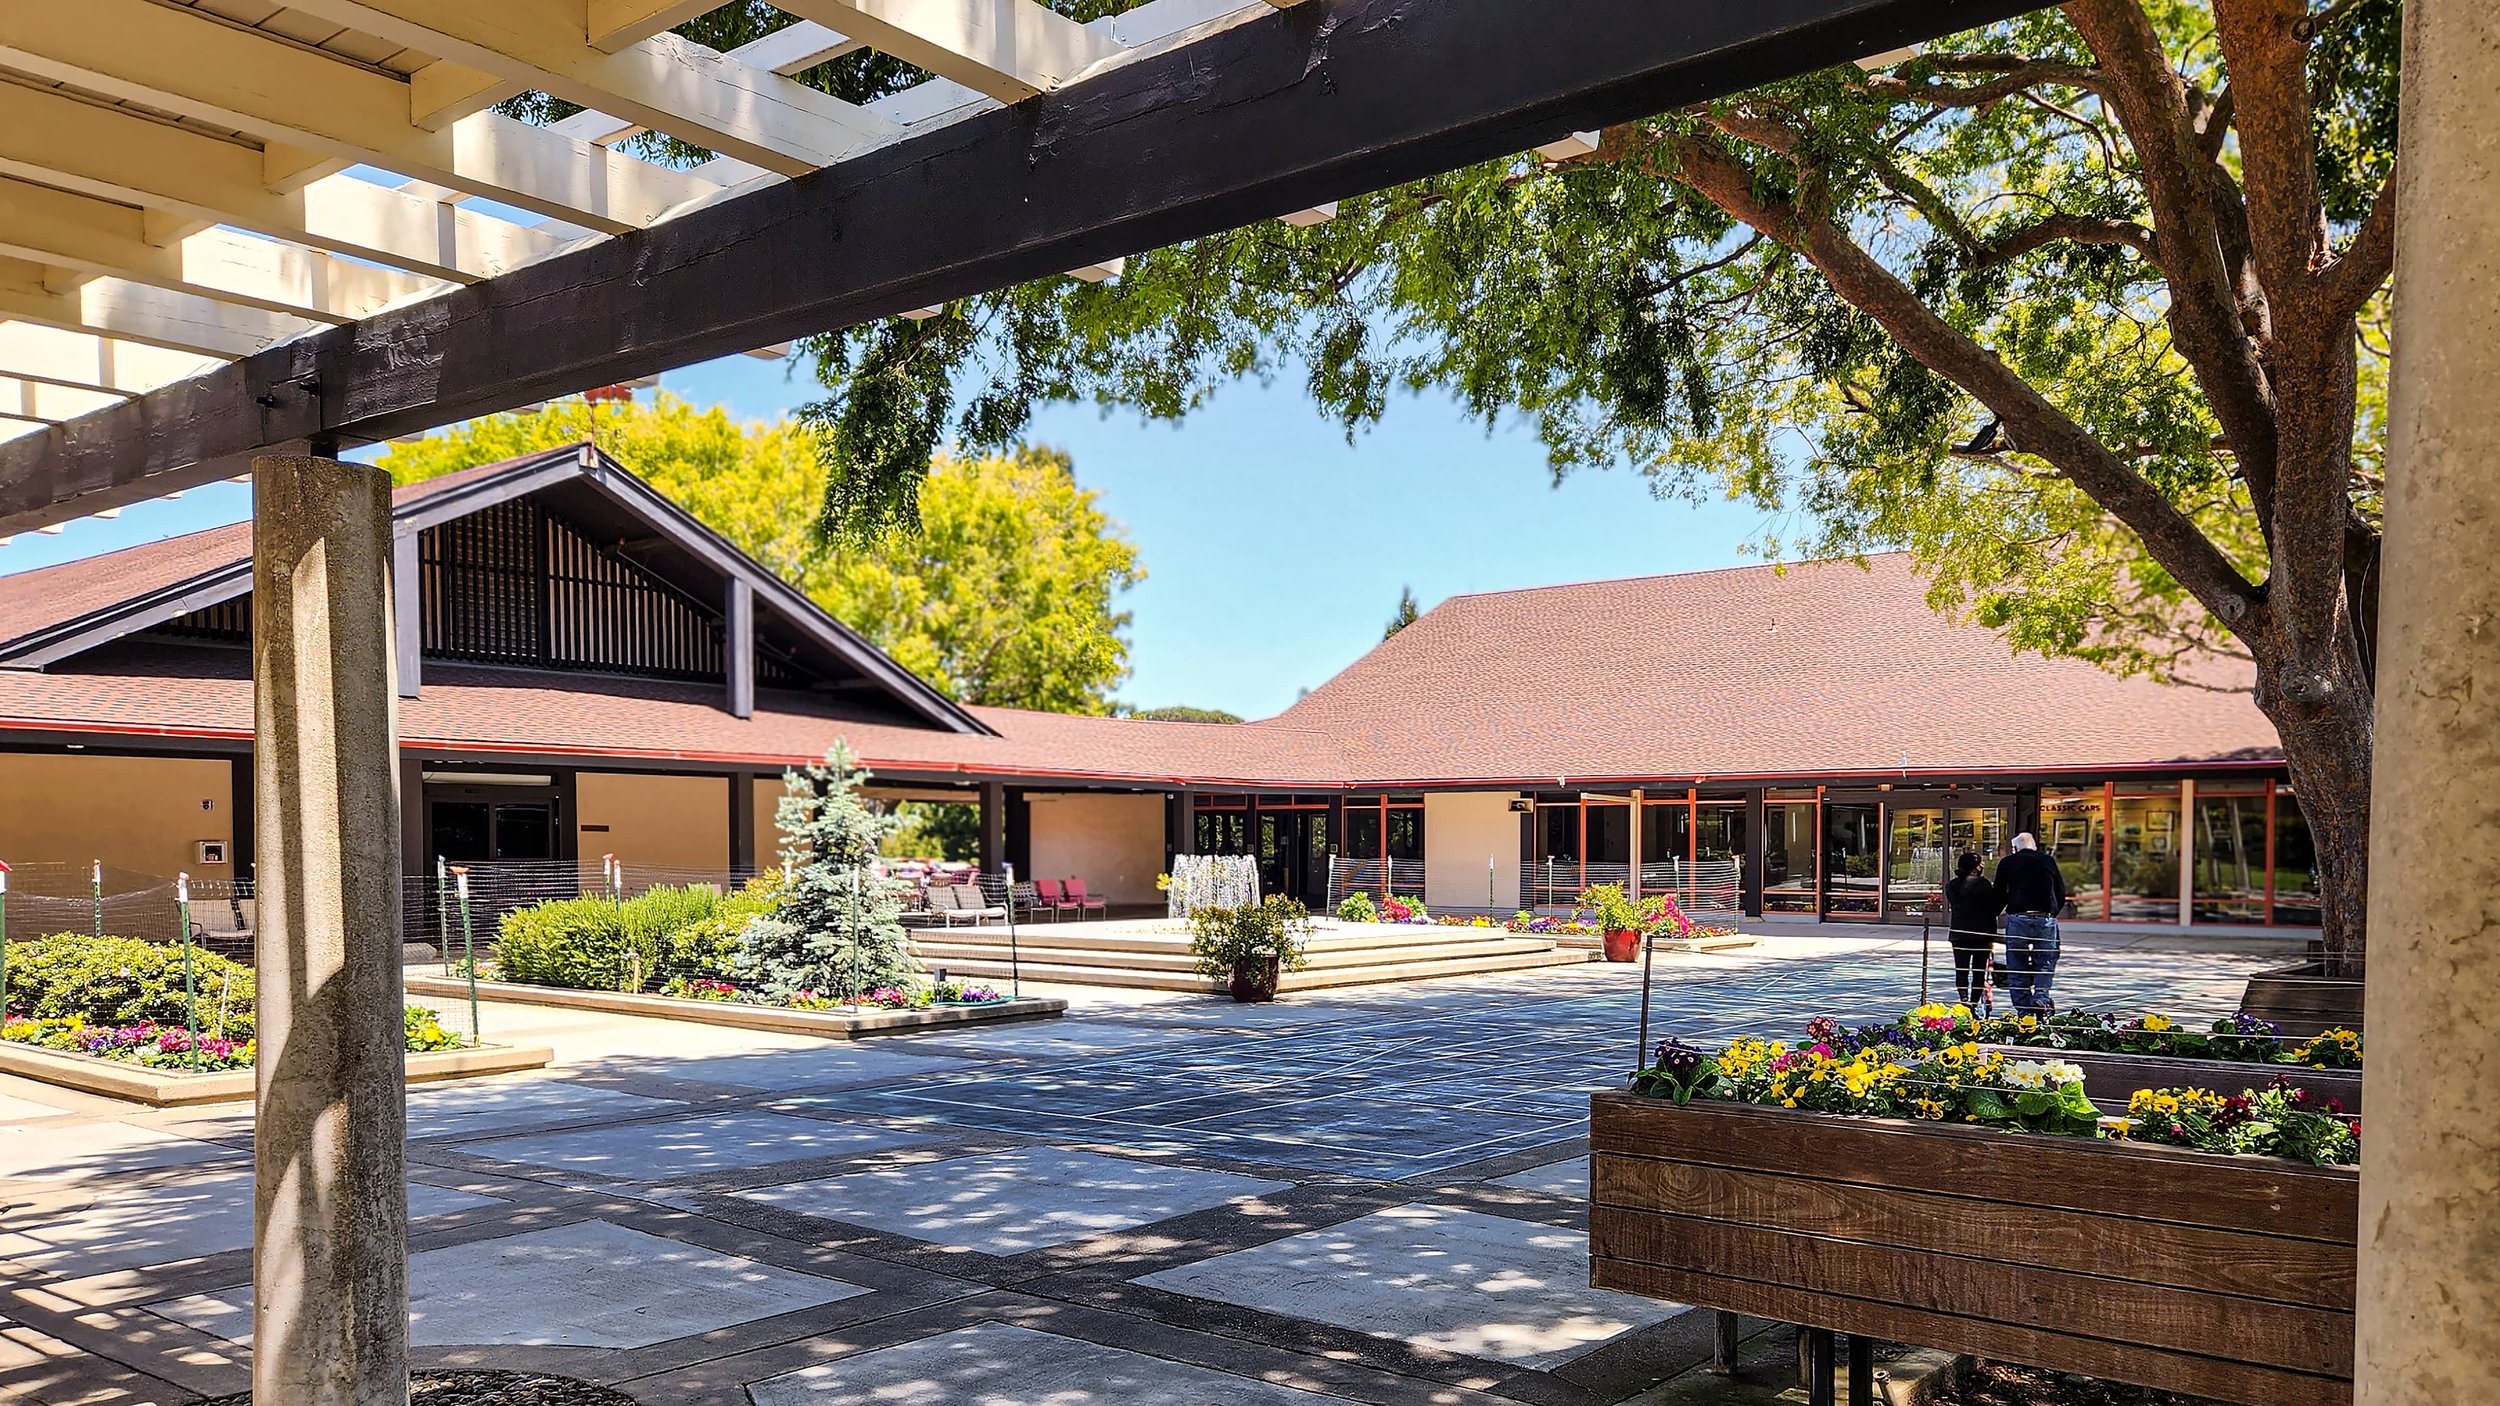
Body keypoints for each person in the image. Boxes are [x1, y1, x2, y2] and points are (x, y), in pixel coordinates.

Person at [1994, 832, 2067, 1015]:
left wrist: (1993, 913)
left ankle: (2024, 1009)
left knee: (2017, 963)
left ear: (2015, 848)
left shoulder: (2008, 862)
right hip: (2044, 917)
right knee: (2046, 960)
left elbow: (1999, 892)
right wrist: (2052, 912)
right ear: (2034, 846)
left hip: (2019, 916)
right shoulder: (2047, 861)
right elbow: (2059, 890)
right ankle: (2041, 997)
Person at [1941, 851, 2003, 1009]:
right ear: (1975, 867)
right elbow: (1994, 908)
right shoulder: (1983, 884)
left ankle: (1963, 999)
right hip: (1981, 935)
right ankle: (1974, 1003)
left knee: (1961, 969)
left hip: (1959, 934)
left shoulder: (1951, 885)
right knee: (1978, 970)